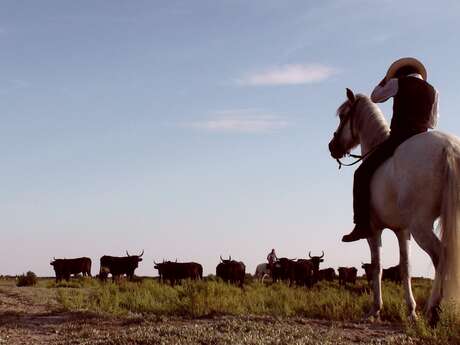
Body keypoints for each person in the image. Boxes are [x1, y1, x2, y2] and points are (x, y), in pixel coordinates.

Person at [342, 57, 439, 242]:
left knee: (361, 174)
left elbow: (375, 97)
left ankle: (361, 224)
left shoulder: (397, 83)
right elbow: (432, 123)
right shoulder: (433, 91)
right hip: (422, 137)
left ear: (399, 73)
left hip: (400, 139)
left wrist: (385, 79)